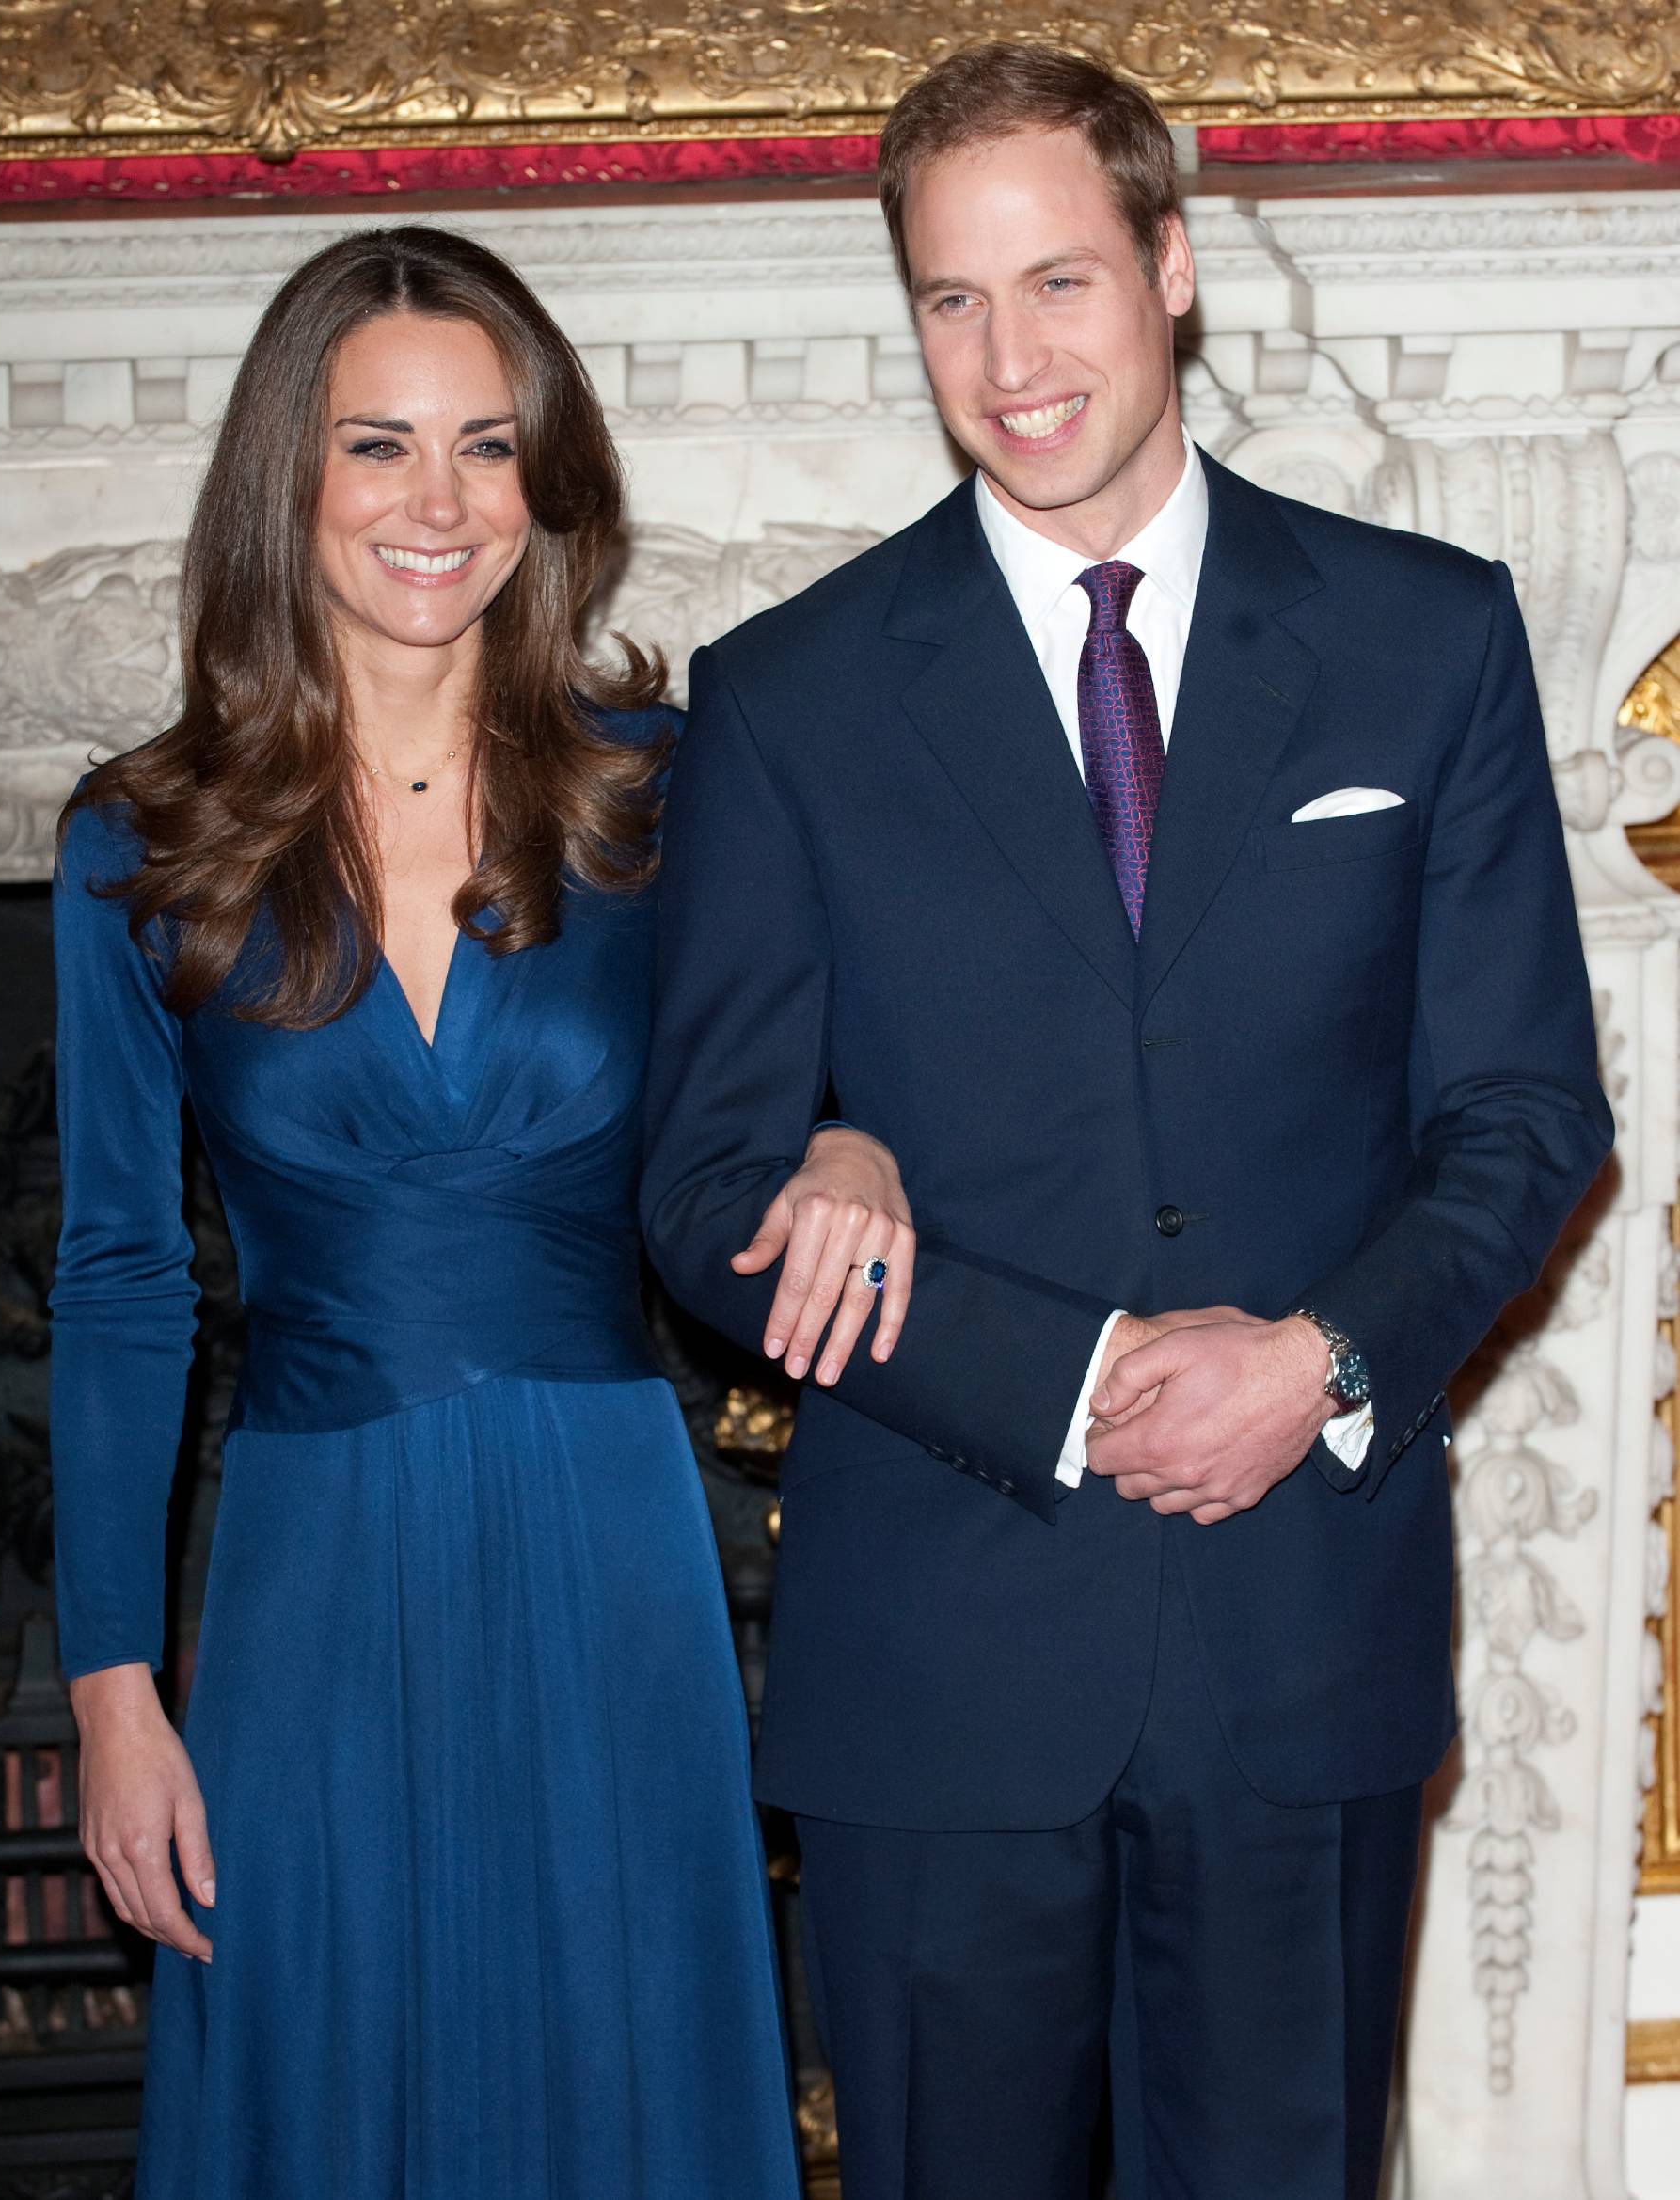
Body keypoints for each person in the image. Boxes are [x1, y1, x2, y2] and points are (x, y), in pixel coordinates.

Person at [641, 42, 1614, 2200]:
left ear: (1172, 268)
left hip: (1303, 1646)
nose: (1011, 359)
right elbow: (707, 1180)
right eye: (951, 300)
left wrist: (1316, 1361)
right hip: (940, 1674)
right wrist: (1063, 1380)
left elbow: (1529, 1114)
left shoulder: (1421, 638)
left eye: (1059, 282)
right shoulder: (787, 698)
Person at [49, 224, 914, 2199]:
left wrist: (858, 1147)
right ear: (290, 477)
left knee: (620, 2085)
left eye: (487, 446)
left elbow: (846, 1078)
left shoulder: (669, 794)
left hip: (611, 1542)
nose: (436, 504)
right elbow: (115, 1280)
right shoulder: (143, 841)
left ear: (549, 486)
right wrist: (112, 1692)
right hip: (306, 1571)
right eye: (376, 447)